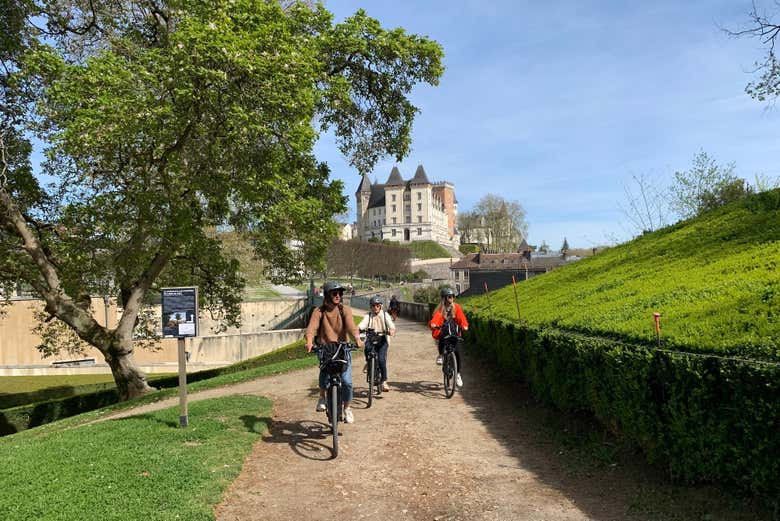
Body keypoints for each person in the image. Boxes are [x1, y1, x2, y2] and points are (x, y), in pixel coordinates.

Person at [305, 281, 364, 423]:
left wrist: (357, 339)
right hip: (326, 348)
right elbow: (311, 328)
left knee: (347, 382)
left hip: (342, 348)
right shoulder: (319, 311)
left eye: (340, 293)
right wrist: (309, 341)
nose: (338, 296)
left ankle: (347, 408)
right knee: (324, 375)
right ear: (327, 295)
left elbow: (351, 327)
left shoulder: (345, 310)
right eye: (334, 293)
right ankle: (322, 397)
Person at [429, 286, 469, 387]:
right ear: (444, 298)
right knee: (442, 339)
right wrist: (433, 324)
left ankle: (458, 374)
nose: (451, 298)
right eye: (449, 296)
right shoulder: (440, 309)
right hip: (444, 332)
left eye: (452, 296)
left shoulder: (456, 307)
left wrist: (464, 325)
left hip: (454, 333)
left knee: (457, 352)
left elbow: (461, 318)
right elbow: (436, 318)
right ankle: (441, 355)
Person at [358, 295, 396, 392]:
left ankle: (384, 381)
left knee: (382, 360)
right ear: (371, 306)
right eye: (374, 305)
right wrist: (359, 329)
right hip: (371, 338)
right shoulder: (368, 315)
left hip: (382, 339)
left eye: (378, 305)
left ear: (381, 306)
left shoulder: (385, 315)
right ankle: (368, 362)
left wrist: (391, 329)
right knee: (367, 350)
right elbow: (363, 323)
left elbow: (390, 324)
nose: (376, 307)